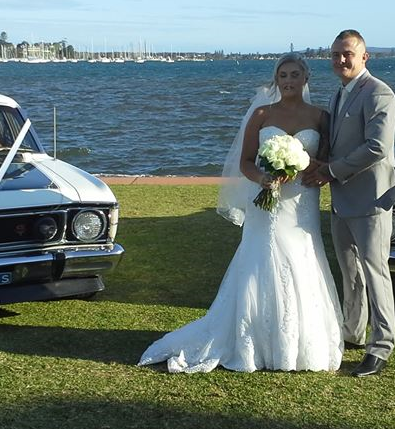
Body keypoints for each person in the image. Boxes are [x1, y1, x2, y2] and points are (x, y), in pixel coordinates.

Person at [138, 53, 344, 372]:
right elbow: (245, 161)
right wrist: (264, 178)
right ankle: (253, 340)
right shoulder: (262, 114)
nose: (288, 81)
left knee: (302, 256)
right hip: (266, 201)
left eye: (294, 74)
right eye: (283, 75)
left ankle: (298, 344)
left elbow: (326, 160)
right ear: (276, 80)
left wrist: (304, 166)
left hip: (301, 202)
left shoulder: (321, 117)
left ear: (306, 78)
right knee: (260, 259)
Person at [302, 30, 395, 377]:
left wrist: (331, 170)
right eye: (335, 54)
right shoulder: (339, 94)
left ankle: (381, 345)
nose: (341, 60)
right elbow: (339, 142)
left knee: (375, 272)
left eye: (347, 54)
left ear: (364, 57)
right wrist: (318, 163)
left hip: (371, 200)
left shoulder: (379, 93)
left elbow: (377, 147)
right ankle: (353, 330)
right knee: (350, 271)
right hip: (341, 198)